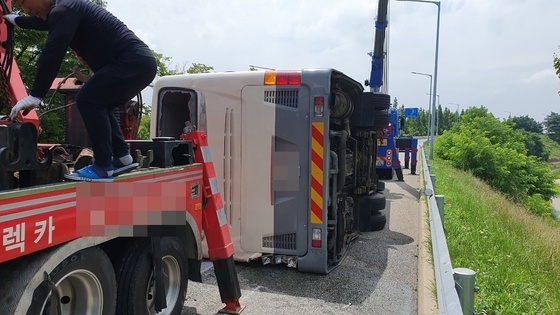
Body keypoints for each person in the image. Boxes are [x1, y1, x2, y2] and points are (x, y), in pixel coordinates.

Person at [4, 0, 157, 182]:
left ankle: (103, 166)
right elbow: (42, 22)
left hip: (130, 62)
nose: (26, 9)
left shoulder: (63, 10)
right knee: (102, 103)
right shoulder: (64, 9)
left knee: (88, 99)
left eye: (24, 2)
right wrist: (14, 20)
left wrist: (36, 94)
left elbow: (52, 53)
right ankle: (123, 157)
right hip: (140, 64)